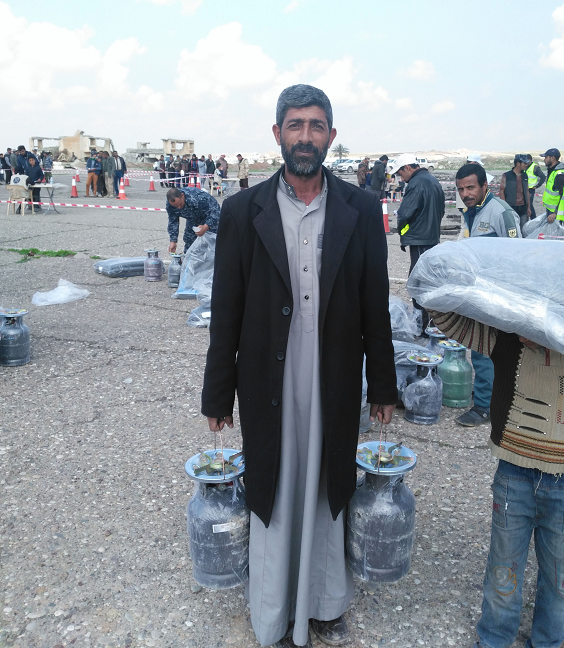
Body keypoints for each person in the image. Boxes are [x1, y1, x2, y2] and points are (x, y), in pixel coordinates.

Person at [201, 84, 398, 648]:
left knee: (326, 480)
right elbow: (227, 308)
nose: (305, 136)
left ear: (331, 137)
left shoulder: (359, 209)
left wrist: (382, 383)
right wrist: (218, 394)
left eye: (316, 126)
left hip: (334, 372)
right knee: (276, 481)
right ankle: (274, 610)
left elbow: (373, 301)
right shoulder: (243, 211)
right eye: (295, 125)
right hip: (268, 376)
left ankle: (324, 600)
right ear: (277, 135)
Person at [428, 306, 564, 648]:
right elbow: (442, 313)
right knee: (503, 575)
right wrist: (509, 311)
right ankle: (494, 640)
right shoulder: (507, 336)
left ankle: (547, 641)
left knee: (561, 582)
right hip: (514, 475)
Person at [454, 163, 522, 427]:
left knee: (484, 350)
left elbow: (518, 255)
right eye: (461, 189)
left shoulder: (501, 213)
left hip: (496, 294)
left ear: (486, 186)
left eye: (471, 187)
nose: (465, 193)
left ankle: (485, 406)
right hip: (477, 292)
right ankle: (488, 396)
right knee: (479, 347)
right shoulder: (470, 211)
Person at [395, 152, 445, 332]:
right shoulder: (433, 181)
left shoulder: (416, 184)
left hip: (419, 238)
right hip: (431, 236)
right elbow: (441, 210)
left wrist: (403, 231)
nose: (402, 178)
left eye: (401, 173)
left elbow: (405, 214)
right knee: (429, 280)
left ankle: (421, 324)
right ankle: (431, 322)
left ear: (407, 167)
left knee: (418, 281)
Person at [165, 186, 220, 254]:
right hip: (192, 221)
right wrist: (173, 241)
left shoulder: (198, 197)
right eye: (176, 206)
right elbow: (173, 221)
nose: (179, 208)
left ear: (182, 195)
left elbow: (215, 211)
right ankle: (190, 262)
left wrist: (206, 226)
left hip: (207, 219)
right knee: (189, 243)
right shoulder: (170, 205)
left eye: (180, 204)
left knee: (212, 245)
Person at [499, 154, 532, 229]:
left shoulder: (525, 175)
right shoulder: (506, 176)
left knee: (524, 230)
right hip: (511, 208)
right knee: (512, 229)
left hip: (523, 208)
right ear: (518, 163)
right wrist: (505, 208)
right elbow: (501, 191)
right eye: (524, 163)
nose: (526, 165)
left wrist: (528, 207)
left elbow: (526, 191)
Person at [540, 148, 564, 222]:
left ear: (553, 158)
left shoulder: (560, 175)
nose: (544, 160)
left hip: (555, 213)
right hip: (551, 210)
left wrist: (556, 213)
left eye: (546, 157)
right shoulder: (552, 171)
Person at [524, 154, 545, 218]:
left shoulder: (535, 167)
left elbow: (543, 177)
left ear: (529, 160)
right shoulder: (524, 166)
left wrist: (537, 186)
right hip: (523, 189)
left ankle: (533, 219)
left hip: (530, 190)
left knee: (529, 205)